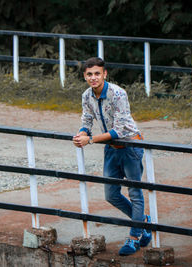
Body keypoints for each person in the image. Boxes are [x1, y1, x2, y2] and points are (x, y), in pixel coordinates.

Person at [72, 57, 151, 256]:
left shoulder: (118, 94)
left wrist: (90, 140)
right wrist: (82, 133)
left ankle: (134, 237)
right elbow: (87, 119)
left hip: (130, 145)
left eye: (97, 73)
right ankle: (143, 221)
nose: (93, 78)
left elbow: (120, 129)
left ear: (105, 74)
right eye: (89, 74)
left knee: (135, 193)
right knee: (111, 195)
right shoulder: (86, 96)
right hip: (110, 148)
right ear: (85, 76)